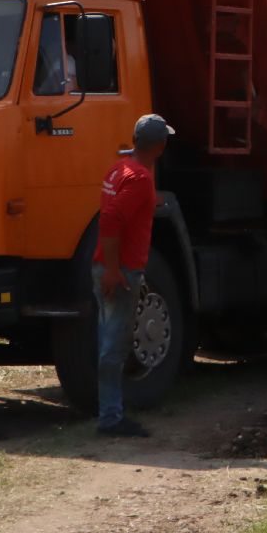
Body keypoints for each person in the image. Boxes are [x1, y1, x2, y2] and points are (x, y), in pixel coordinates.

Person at [92, 113, 174, 437]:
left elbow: (116, 210)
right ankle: (110, 417)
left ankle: (107, 411)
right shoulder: (140, 180)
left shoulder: (119, 169)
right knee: (114, 346)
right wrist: (114, 271)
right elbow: (111, 220)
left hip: (106, 265)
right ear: (161, 146)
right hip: (121, 271)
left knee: (106, 341)